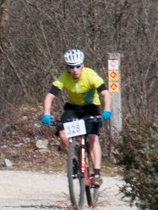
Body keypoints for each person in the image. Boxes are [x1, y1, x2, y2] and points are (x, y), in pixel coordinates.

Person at [40, 48, 111, 187]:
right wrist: (46, 113)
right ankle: (73, 161)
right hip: (73, 109)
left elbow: (105, 93)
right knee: (63, 134)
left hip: (91, 107)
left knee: (92, 137)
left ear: (82, 65)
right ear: (67, 68)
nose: (74, 70)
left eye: (78, 66)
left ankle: (97, 174)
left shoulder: (90, 75)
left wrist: (106, 110)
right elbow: (50, 96)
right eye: (71, 67)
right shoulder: (64, 77)